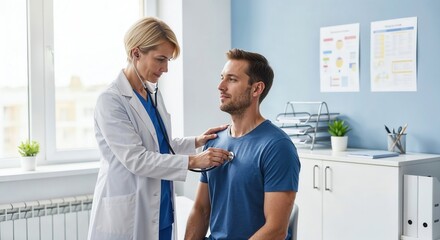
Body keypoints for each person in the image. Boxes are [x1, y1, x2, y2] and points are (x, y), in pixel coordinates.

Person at [87, 17, 231, 240]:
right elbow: (137, 158)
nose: (165, 69)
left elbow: (159, 144)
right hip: (130, 214)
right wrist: (194, 161)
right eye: (160, 59)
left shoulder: (152, 93)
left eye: (168, 61)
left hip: (160, 209)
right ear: (136, 53)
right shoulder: (111, 100)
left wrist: (197, 141)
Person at [184, 49, 301, 240]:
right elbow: (201, 210)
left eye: (232, 79)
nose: (220, 86)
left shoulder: (277, 147)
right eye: (222, 77)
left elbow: (276, 230)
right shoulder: (215, 140)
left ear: (256, 89)